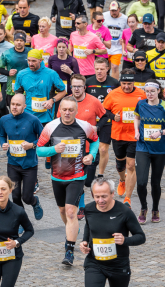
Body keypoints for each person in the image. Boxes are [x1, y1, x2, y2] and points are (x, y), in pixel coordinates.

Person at [37, 96, 99, 266]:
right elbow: (39, 150)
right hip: (57, 177)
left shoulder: (85, 126)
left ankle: (69, 251)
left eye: (71, 110)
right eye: (64, 109)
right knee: (64, 212)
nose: (67, 112)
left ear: (76, 111)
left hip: (77, 176)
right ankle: (71, 231)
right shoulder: (50, 127)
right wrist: (53, 149)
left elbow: (95, 140)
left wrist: (91, 155)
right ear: (60, 110)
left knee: (72, 212)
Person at [58, 74, 109, 220]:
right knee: (77, 179)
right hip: (71, 148)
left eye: (79, 86)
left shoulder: (93, 101)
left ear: (84, 87)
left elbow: (105, 116)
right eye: (74, 86)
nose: (76, 89)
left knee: (88, 180)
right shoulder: (66, 102)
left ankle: (94, 201)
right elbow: (58, 120)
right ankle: (81, 206)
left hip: (89, 147)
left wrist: (97, 127)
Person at [80, 177, 146, 287]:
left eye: (104, 196)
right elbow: (89, 226)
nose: (100, 200)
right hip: (94, 263)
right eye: (97, 197)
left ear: (112, 194)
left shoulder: (124, 211)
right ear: (92, 195)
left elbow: (141, 237)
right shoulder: (89, 209)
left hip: (118, 265)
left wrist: (125, 240)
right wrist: (85, 241)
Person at [134, 80, 165, 224]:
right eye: (147, 91)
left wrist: (160, 132)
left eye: (152, 91)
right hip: (143, 147)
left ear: (158, 91)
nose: (150, 94)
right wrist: (136, 131)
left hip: (159, 149)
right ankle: (143, 208)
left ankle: (155, 209)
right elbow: (137, 117)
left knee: (155, 182)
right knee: (141, 182)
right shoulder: (141, 104)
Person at [102, 69, 147, 208]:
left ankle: (127, 198)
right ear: (120, 82)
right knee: (120, 164)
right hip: (118, 134)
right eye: (124, 83)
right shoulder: (114, 94)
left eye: (129, 83)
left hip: (134, 135)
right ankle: (122, 179)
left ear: (134, 82)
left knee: (131, 165)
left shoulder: (141, 93)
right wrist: (112, 116)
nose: (127, 86)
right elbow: (104, 110)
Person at [0, 94, 44, 224]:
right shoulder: (4, 120)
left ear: (24, 106)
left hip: (29, 165)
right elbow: (2, 135)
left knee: (27, 197)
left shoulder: (33, 120)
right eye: (12, 104)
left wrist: (32, 145)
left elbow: (43, 138)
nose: (14, 107)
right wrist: (3, 143)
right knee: (15, 196)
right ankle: (21, 221)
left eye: (18, 105)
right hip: (13, 163)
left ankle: (35, 202)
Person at [85, 58, 120, 181]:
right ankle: (89, 170)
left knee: (103, 148)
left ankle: (100, 175)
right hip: (91, 121)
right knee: (90, 148)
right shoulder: (88, 82)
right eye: (97, 69)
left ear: (107, 69)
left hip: (108, 121)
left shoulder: (114, 83)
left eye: (102, 69)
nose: (99, 71)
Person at [14, 49, 67, 125]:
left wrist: (52, 101)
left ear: (40, 60)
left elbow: (63, 91)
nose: (30, 63)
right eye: (28, 60)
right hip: (28, 114)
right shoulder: (21, 74)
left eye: (33, 61)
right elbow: (18, 94)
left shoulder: (51, 74)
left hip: (46, 115)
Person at [0, 31, 32, 105]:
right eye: (17, 40)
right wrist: (8, 72)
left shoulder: (31, 52)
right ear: (13, 41)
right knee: (14, 110)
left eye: (21, 40)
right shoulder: (7, 53)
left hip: (28, 87)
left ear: (25, 41)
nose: (19, 42)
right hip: (12, 88)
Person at [103, 1, 129, 79]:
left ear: (119, 9)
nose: (113, 12)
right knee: (105, 69)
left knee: (114, 67)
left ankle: (114, 86)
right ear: (109, 9)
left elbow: (128, 32)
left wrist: (124, 40)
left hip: (117, 48)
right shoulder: (104, 16)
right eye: (112, 10)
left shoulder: (125, 18)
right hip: (105, 47)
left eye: (115, 10)